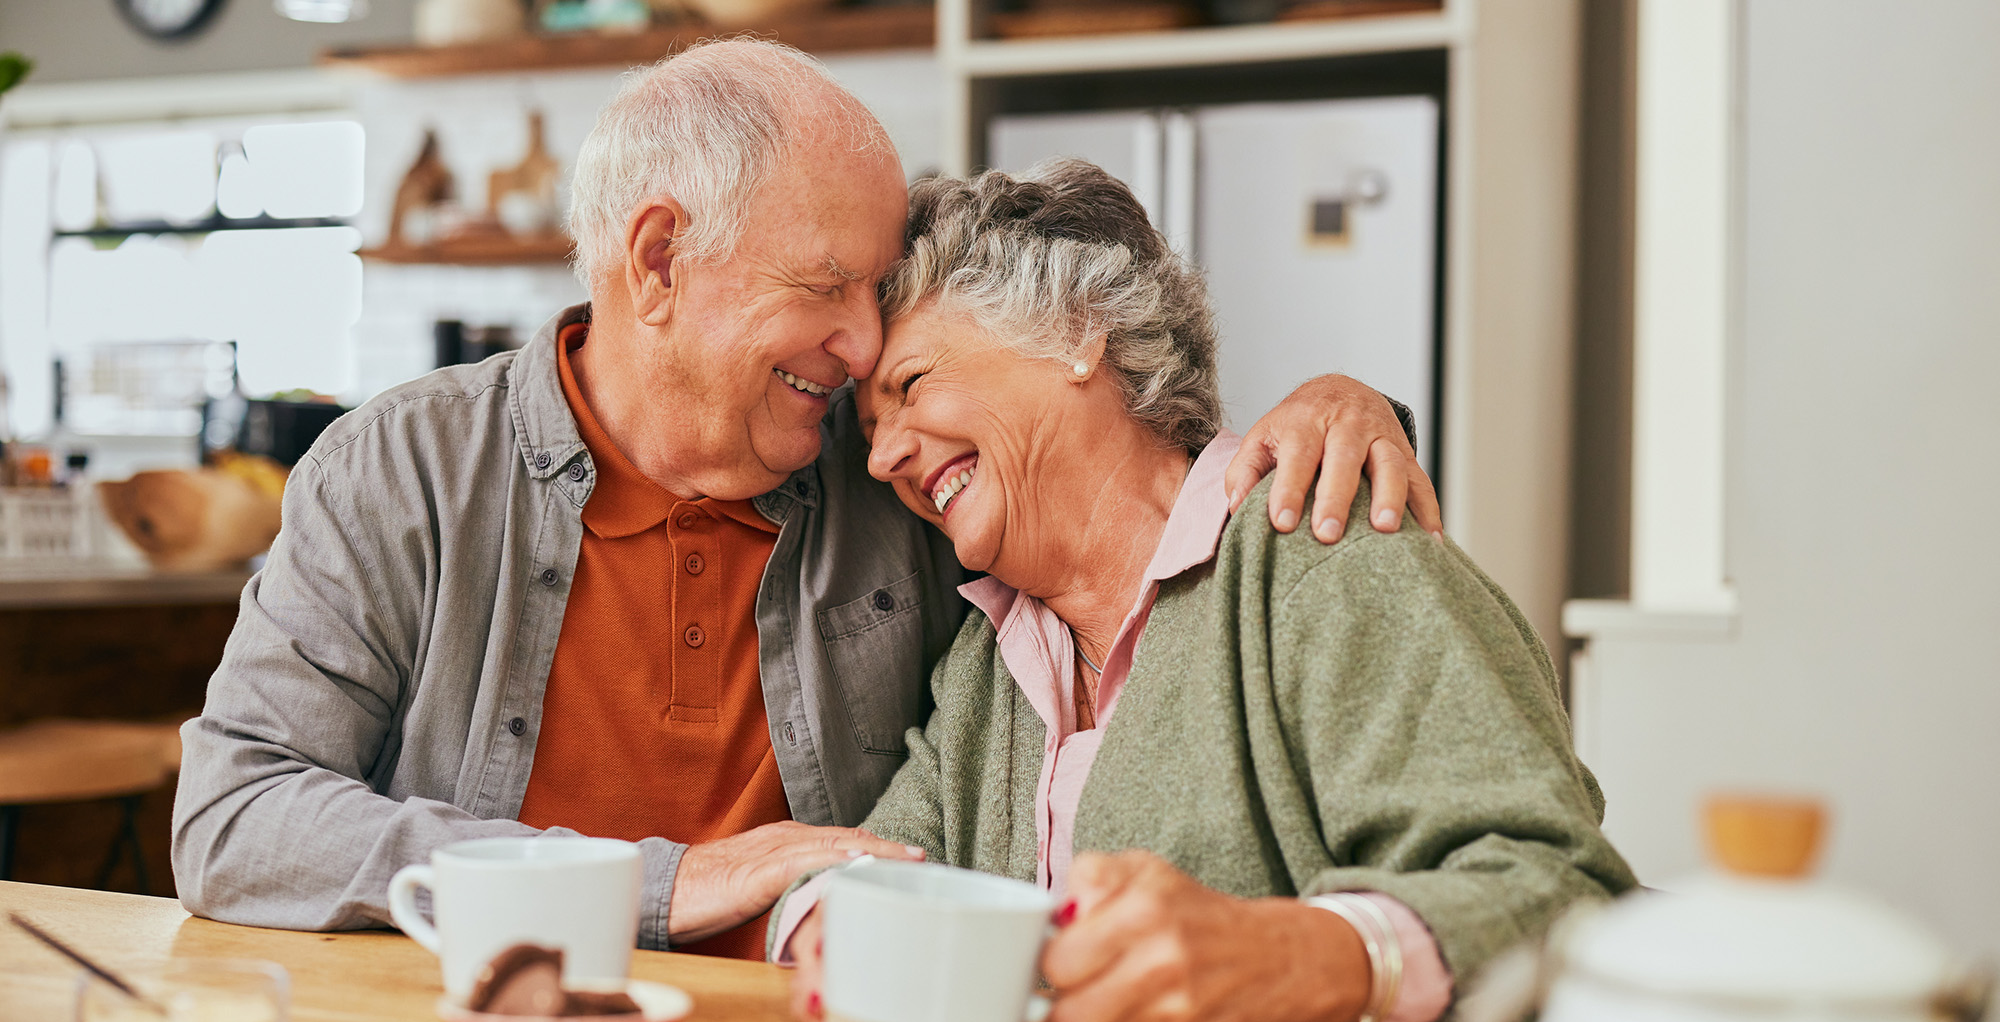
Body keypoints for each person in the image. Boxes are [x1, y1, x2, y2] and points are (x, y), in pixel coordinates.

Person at [171, 41, 1439, 959]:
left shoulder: (889, 470)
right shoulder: (402, 471)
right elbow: (234, 819)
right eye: (829, 284)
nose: (860, 345)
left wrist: (1340, 400)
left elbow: (1116, 462)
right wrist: (647, 884)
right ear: (659, 259)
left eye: (880, 298)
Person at [777, 159, 1635, 1022]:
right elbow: (877, 866)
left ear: (1076, 333)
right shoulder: (992, 657)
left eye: (911, 386)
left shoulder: (1320, 555)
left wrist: (1301, 959)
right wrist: (824, 920)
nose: (884, 461)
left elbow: (1563, 889)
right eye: (869, 438)